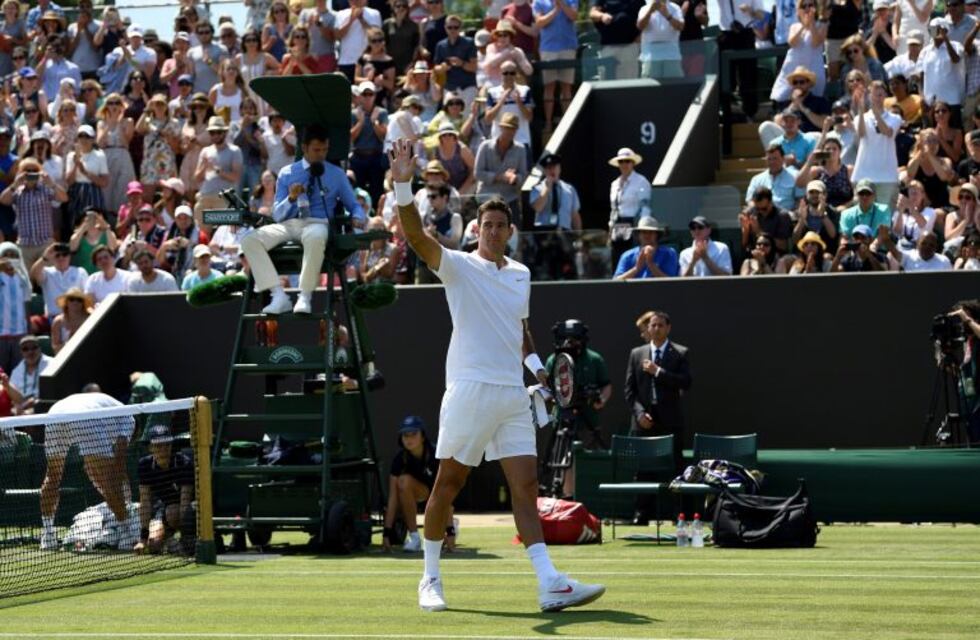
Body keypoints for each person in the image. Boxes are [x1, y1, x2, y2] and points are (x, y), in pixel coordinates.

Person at [388, 138, 605, 613]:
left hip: (513, 395)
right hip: (469, 391)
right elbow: (417, 238)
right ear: (475, 230)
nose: (491, 231)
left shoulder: (521, 274)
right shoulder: (459, 266)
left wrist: (537, 372)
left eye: (499, 225)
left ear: (509, 231)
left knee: (526, 487)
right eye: (485, 225)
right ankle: (429, 577)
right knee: (448, 485)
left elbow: (520, 331)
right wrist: (403, 185)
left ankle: (549, 582)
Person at [241, 124, 366, 315]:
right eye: (316, 150)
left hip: (319, 223)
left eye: (324, 150)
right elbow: (277, 215)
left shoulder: (336, 174)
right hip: (289, 224)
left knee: (315, 235)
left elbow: (355, 205)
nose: (321, 154)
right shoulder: (287, 173)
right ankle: (278, 296)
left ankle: (305, 297)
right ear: (304, 148)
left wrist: (357, 217)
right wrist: (291, 198)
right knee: (250, 240)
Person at [40, 391, 138, 551]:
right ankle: (126, 533)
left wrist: (110, 493)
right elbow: (118, 467)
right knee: (109, 478)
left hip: (56, 413)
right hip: (84, 415)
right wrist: (124, 502)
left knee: (53, 475)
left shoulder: (111, 414)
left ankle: (48, 536)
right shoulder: (129, 421)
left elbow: (90, 468)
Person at [623, 309, 691, 501]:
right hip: (645, 422)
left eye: (661, 325)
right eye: (653, 325)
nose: (656, 329)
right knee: (643, 468)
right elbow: (629, 390)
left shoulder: (680, 353)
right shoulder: (637, 354)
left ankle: (678, 510)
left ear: (668, 328)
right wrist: (639, 414)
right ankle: (642, 511)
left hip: (670, 422)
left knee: (675, 468)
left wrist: (658, 372)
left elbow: (685, 382)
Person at [381, 416, 457, 553]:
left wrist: (450, 531)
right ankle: (414, 538)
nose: (409, 439)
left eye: (414, 434)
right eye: (405, 435)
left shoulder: (436, 455)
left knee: (440, 538)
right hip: (417, 495)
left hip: (437, 498)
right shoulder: (399, 460)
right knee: (403, 482)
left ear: (422, 437)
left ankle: (451, 527)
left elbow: (445, 495)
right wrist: (386, 533)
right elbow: (393, 498)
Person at [135, 425, 195, 554]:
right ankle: (168, 539)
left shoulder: (184, 463)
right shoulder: (144, 465)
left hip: (188, 510)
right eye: (158, 445)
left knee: (173, 512)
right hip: (162, 509)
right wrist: (143, 539)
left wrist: (186, 538)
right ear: (150, 448)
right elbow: (145, 502)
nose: (163, 449)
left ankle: (185, 540)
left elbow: (185, 502)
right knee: (154, 545)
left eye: (167, 445)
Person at [0, 158, 68, 265]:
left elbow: (64, 198)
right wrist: (15, 184)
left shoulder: (46, 189)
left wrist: (52, 184)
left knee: (46, 274)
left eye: (34, 170)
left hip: (45, 243)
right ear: (21, 173)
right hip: (25, 244)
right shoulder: (17, 191)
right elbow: (3, 200)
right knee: (25, 275)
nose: (31, 173)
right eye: (27, 170)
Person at [852, 80, 902, 208]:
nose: (877, 98)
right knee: (863, 214)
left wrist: (875, 112)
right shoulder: (860, 117)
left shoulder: (895, 118)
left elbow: (887, 132)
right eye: (874, 95)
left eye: (880, 95)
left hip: (887, 177)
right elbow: (861, 133)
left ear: (885, 96)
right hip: (863, 174)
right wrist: (861, 109)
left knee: (884, 216)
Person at [533, 0, 577, 133]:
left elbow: (574, 16)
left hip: (568, 47)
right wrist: (555, 11)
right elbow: (539, 22)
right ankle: (548, 123)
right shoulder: (538, 2)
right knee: (549, 87)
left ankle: (568, 123)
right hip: (548, 49)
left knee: (566, 86)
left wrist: (561, 4)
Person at [474, 112, 528, 214]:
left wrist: (515, 178)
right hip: (486, 197)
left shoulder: (520, 149)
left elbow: (523, 175)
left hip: (509, 199)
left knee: (515, 223)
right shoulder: (485, 146)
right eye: (507, 128)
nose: (509, 131)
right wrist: (500, 177)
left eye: (513, 129)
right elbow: (478, 173)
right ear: (501, 128)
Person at [193, 116, 243, 227]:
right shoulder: (205, 151)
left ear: (224, 133)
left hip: (224, 198)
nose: (215, 135)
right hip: (205, 196)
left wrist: (217, 170)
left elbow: (236, 177)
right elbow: (197, 178)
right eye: (212, 133)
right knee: (201, 231)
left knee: (223, 231)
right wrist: (204, 166)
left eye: (218, 132)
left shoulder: (234, 151)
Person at [607, 147, 651, 267]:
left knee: (633, 258)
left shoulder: (641, 181)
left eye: (627, 161)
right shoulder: (614, 184)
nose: (624, 164)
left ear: (633, 163)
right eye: (621, 161)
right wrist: (610, 229)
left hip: (634, 224)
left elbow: (645, 207)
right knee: (617, 258)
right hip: (617, 226)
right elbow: (613, 209)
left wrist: (642, 229)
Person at [29, 242, 87, 319]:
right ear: (52, 257)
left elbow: (87, 295)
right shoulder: (46, 272)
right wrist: (44, 258)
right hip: (52, 317)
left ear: (69, 256)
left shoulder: (80, 271)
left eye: (64, 254)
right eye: (57, 255)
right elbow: (33, 274)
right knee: (32, 322)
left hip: (76, 317)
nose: (61, 258)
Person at [589, 0, 644, 79]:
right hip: (607, 47)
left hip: (629, 47)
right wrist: (602, 16)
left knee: (629, 83)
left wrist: (637, 42)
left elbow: (645, 19)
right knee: (606, 82)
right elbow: (593, 13)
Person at [432, 14, 478, 107]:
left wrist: (461, 63)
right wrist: (442, 67)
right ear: (445, 28)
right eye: (450, 27)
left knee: (467, 114)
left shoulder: (469, 43)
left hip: (467, 87)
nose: (452, 30)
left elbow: (474, 67)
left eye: (456, 27)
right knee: (449, 115)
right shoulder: (440, 45)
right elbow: (436, 68)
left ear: (460, 28)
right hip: (449, 88)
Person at [613, 216, 678, 278]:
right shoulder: (627, 256)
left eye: (651, 232)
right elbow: (616, 281)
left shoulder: (669, 254)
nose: (647, 235)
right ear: (638, 235)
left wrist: (651, 264)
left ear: (657, 235)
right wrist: (636, 268)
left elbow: (672, 281)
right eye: (644, 232)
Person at [745, 143, 800, 212]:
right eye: (769, 159)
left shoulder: (795, 176)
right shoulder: (757, 179)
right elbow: (750, 200)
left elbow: (800, 200)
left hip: (786, 215)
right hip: (763, 215)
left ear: (783, 159)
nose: (772, 162)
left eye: (775, 158)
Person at [740, 186, 793, 256]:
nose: (760, 211)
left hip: (776, 256)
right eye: (757, 208)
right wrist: (746, 230)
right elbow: (744, 245)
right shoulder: (751, 213)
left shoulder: (782, 216)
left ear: (771, 203)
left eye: (764, 209)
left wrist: (759, 232)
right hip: (754, 254)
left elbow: (783, 246)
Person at [8, 333, 52, 410]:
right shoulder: (16, 371)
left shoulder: (52, 364)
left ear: (40, 348)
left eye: (34, 348)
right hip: (21, 407)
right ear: (21, 352)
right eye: (25, 349)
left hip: (43, 405)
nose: (30, 352)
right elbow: (13, 398)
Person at [881, 229, 953, 270]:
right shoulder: (908, 256)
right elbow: (894, 251)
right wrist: (885, 239)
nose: (927, 247)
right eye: (924, 243)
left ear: (936, 247)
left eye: (931, 245)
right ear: (917, 244)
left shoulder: (944, 261)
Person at [48, 286, 92, 353]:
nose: (75, 302)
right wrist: (69, 343)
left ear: (83, 303)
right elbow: (55, 349)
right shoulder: (58, 322)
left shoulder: (90, 319)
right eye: (71, 299)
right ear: (66, 302)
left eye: (79, 300)